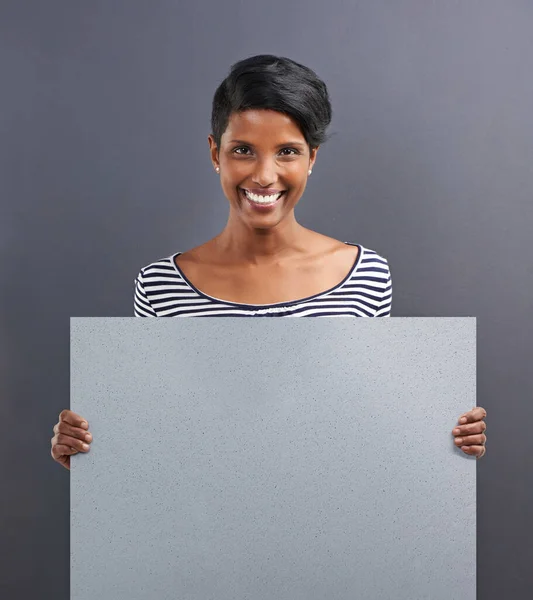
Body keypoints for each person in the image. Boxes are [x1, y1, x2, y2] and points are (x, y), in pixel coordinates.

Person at [51, 55, 487, 469]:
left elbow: (369, 423)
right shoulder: (161, 284)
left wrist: (445, 440)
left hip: (331, 529)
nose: (263, 175)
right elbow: (155, 434)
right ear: (214, 152)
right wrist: (92, 454)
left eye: (287, 152)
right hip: (205, 532)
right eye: (242, 150)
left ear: (312, 157)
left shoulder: (366, 275)